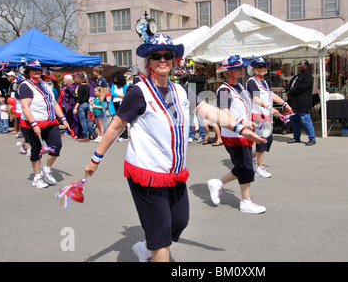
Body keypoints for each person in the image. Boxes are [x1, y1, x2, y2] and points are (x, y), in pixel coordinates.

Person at [83, 34, 265, 262]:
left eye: (167, 55)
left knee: (179, 222)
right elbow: (115, 126)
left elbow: (207, 110)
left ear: (174, 60)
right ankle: (154, 249)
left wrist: (239, 126)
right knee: (162, 240)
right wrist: (96, 158)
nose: (162, 60)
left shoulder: (180, 90)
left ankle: (145, 247)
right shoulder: (138, 92)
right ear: (148, 62)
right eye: (156, 56)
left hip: (175, 173)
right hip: (147, 174)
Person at [207, 55, 267, 214]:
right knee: (246, 167)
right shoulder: (225, 90)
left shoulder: (240, 87)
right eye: (237, 68)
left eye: (242, 68)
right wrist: (242, 121)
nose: (242, 70)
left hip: (244, 133)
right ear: (228, 72)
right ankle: (245, 201)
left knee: (243, 166)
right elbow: (224, 114)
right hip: (234, 135)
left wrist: (252, 120)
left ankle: (218, 183)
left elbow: (245, 107)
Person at [18, 60, 70, 189]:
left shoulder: (46, 85)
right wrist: (34, 124)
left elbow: (55, 103)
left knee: (56, 145)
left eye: (39, 69)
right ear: (28, 71)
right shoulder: (25, 85)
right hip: (32, 123)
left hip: (50, 121)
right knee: (36, 149)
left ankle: (47, 169)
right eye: (34, 69)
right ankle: (37, 177)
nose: (37, 72)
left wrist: (63, 118)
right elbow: (25, 107)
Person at [246, 57, 292, 178]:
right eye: (259, 66)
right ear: (254, 68)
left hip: (265, 116)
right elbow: (255, 99)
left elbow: (271, 94)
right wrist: (270, 107)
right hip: (257, 116)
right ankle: (259, 167)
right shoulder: (252, 81)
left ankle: (249, 159)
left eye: (264, 66)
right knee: (263, 141)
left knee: (267, 141)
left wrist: (284, 103)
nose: (262, 68)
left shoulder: (263, 82)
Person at [286, 59, 316, 146]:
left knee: (305, 120)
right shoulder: (297, 76)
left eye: (301, 65)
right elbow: (290, 85)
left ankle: (312, 138)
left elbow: (301, 87)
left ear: (306, 66)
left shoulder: (308, 77)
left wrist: (291, 93)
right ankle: (296, 137)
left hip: (302, 103)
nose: (299, 66)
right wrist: (287, 91)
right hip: (294, 103)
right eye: (298, 65)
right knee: (295, 120)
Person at [180, 64, 207, 143]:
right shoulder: (192, 78)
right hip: (190, 100)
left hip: (199, 100)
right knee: (190, 118)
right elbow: (181, 79)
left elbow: (193, 79)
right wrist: (183, 87)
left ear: (201, 72)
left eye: (197, 70)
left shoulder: (202, 78)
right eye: (195, 70)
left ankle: (202, 135)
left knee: (200, 119)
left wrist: (189, 78)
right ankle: (191, 135)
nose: (195, 71)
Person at [73, 72, 96, 142]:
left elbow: (79, 98)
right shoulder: (87, 86)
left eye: (77, 78)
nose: (76, 80)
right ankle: (93, 133)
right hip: (86, 104)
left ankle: (86, 135)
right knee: (87, 120)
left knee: (83, 121)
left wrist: (75, 107)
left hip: (81, 105)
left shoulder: (81, 87)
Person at [110, 71, 129, 141]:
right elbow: (112, 93)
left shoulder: (125, 86)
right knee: (117, 119)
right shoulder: (113, 85)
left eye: (116, 78)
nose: (114, 79)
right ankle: (119, 134)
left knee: (122, 119)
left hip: (122, 103)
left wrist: (120, 96)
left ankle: (124, 135)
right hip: (115, 103)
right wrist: (121, 96)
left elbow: (127, 95)